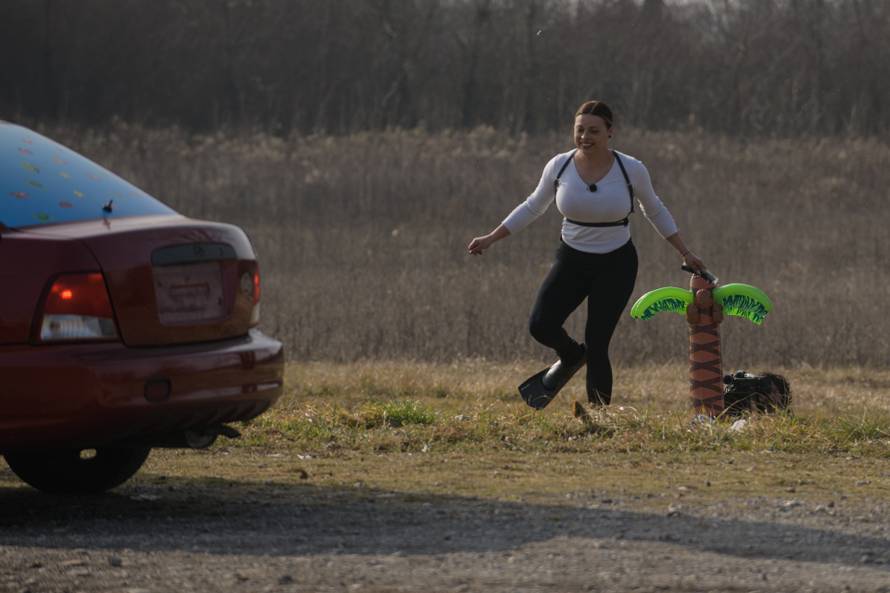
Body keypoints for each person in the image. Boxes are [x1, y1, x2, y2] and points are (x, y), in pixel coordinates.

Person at [467, 100, 706, 406]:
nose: (585, 136)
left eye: (594, 130)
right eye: (579, 130)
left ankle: (599, 415)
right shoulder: (559, 165)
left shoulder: (631, 169)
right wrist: (491, 237)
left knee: (597, 343)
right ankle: (571, 356)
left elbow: (655, 210)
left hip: (616, 263)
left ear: (610, 132)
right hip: (572, 260)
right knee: (540, 325)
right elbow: (532, 206)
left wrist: (685, 252)